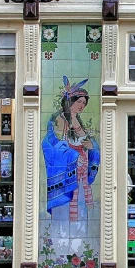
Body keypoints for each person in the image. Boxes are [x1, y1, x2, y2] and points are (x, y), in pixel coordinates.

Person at [42, 77, 100, 223]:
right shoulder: (59, 119)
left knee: (80, 205)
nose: (81, 105)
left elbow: (87, 141)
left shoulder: (78, 120)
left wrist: (92, 147)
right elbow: (52, 144)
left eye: (84, 103)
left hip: (81, 168)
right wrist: (73, 155)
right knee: (65, 208)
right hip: (68, 169)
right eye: (79, 101)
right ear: (71, 101)